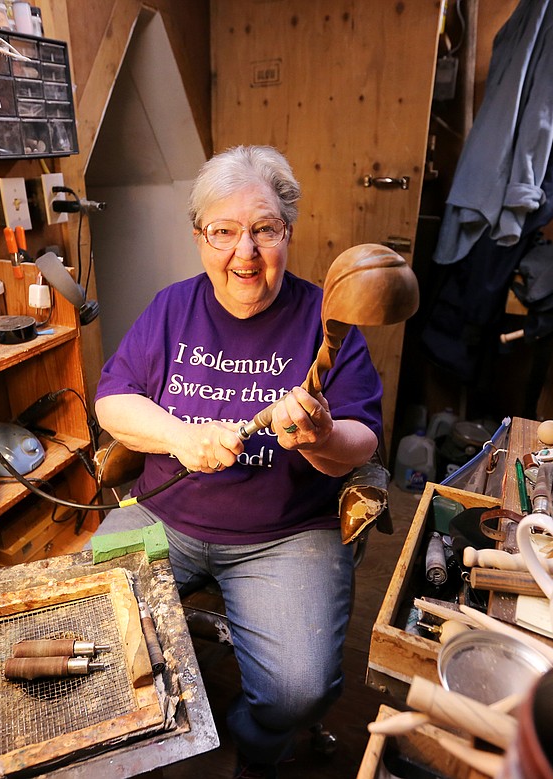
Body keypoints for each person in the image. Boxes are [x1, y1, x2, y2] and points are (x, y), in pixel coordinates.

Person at [93, 145, 383, 777]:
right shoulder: (172, 308)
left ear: (288, 232)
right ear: (200, 237)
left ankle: (251, 750)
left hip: (288, 533)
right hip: (162, 515)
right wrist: (179, 436)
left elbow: (364, 440)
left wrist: (321, 436)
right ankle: (132, 746)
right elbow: (112, 402)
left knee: (298, 691)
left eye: (264, 230)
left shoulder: (326, 321)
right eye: (224, 232)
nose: (244, 253)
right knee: (81, 624)